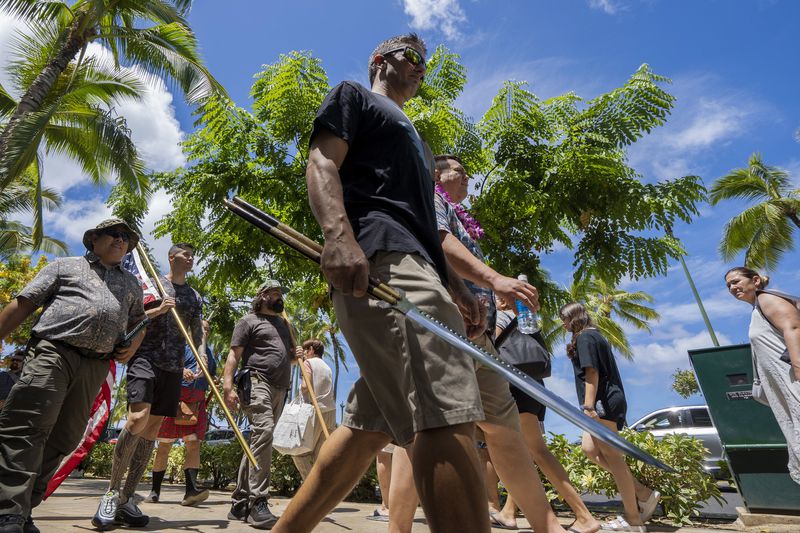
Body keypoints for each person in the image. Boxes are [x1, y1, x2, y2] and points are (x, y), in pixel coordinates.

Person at [273, 33, 489, 533]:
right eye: (412, 57)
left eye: (425, 64)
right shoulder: (355, 96)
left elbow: (419, 223)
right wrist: (338, 237)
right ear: (380, 59)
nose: (420, 68)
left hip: (415, 267)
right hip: (383, 265)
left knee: (366, 428)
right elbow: (322, 162)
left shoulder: (417, 138)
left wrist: (455, 285)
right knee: (444, 404)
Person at [387, 154, 568, 533]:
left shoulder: (459, 212)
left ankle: (547, 525)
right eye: (460, 171)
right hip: (441, 322)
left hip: (478, 334)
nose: (467, 177)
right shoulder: (430, 197)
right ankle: (398, 528)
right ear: (438, 175)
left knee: (504, 430)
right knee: (427, 428)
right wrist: (495, 280)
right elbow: (438, 241)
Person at [0, 218, 146, 533]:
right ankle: (7, 511)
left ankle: (24, 510)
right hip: (54, 353)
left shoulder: (132, 284)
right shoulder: (65, 266)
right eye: (114, 234)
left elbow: (140, 321)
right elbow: (24, 304)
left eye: (126, 238)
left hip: (95, 365)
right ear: (94, 239)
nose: (121, 240)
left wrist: (132, 345)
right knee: (26, 429)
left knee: (64, 437)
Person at [93, 243, 203, 530]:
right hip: (144, 359)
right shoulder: (154, 284)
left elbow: (197, 331)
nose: (190, 258)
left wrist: (200, 355)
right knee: (137, 419)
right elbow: (132, 317)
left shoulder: (193, 296)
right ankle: (111, 492)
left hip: (174, 368)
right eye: (185, 254)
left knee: (152, 430)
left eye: (193, 255)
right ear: (172, 257)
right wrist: (158, 310)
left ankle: (127, 498)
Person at [491, 296, 601, 532]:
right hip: (534, 387)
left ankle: (585, 516)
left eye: (497, 297)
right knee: (525, 452)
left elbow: (491, 348)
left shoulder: (501, 316)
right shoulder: (529, 321)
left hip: (513, 386)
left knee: (536, 451)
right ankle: (509, 512)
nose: (495, 299)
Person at [559, 303, 659, 533]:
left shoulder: (585, 337)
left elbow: (591, 372)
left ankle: (633, 519)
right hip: (604, 400)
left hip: (601, 402)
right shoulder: (595, 336)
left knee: (613, 458)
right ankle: (643, 493)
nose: (563, 324)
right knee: (589, 449)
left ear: (574, 318)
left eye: (564, 319)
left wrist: (589, 406)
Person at [223, 280, 301, 529]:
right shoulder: (248, 320)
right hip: (256, 381)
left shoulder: (285, 324)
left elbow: (289, 359)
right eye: (276, 293)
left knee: (260, 440)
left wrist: (295, 357)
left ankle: (240, 502)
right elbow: (234, 354)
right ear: (263, 295)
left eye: (281, 293)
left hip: (281, 387)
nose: (280, 297)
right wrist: (227, 386)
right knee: (264, 432)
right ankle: (258, 501)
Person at [725, 266, 800, 484]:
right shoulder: (757, 308)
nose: (732, 287)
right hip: (785, 386)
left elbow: (794, 328)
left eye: (736, 281)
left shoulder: (767, 299)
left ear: (755, 281)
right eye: (729, 285)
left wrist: (798, 369)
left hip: (794, 381)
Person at [147, 319, 218, 506]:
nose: (204, 331)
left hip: (197, 403)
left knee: (194, 445)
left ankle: (191, 491)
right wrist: (183, 370)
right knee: (164, 446)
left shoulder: (210, 354)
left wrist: (215, 381)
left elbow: (212, 375)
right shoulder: (179, 348)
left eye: (207, 329)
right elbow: (164, 368)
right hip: (173, 400)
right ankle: (155, 491)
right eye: (201, 328)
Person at [291, 339, 337, 480]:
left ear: (311, 350)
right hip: (330, 412)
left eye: (305, 350)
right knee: (320, 455)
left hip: (314, 410)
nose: (303, 354)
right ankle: (322, 489)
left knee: (297, 451)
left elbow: (306, 386)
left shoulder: (308, 363)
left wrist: (300, 393)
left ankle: (311, 487)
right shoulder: (327, 367)